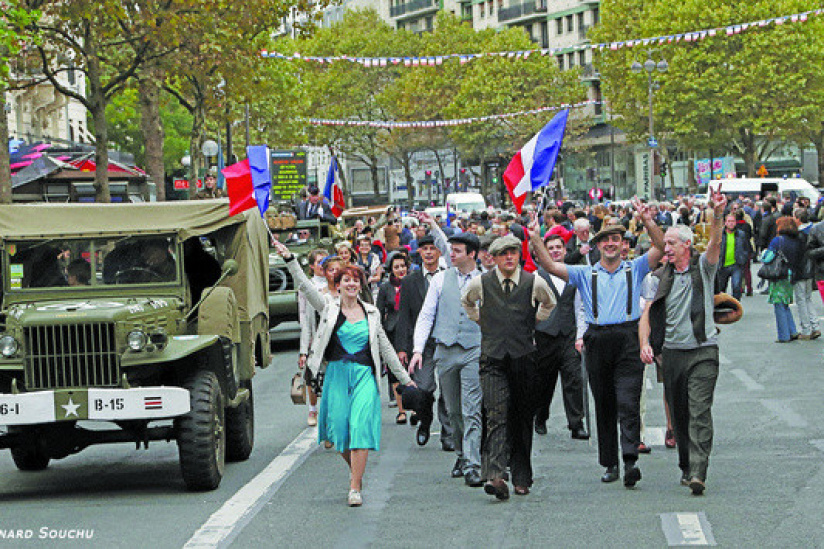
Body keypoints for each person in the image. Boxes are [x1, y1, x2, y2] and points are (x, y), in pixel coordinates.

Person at [529, 198, 665, 489]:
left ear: (622, 244)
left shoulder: (635, 268)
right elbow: (549, 265)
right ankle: (610, 463)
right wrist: (535, 237)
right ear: (598, 246)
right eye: (606, 240)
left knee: (628, 400)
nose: (611, 244)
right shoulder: (584, 272)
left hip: (627, 337)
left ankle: (630, 460)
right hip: (598, 338)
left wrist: (647, 220)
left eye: (616, 239)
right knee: (604, 403)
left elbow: (660, 247)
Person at [273, 239, 415, 508]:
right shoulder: (328, 308)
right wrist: (290, 259)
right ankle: (356, 472)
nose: (351, 284)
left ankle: (354, 486)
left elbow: (386, 349)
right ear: (337, 285)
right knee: (338, 432)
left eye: (355, 281)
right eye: (346, 280)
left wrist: (407, 381)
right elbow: (304, 286)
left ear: (361, 286)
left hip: (363, 377)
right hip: (336, 375)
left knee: (360, 426)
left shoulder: (371, 313)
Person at [638, 187, 727, 495]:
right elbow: (646, 314)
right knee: (680, 415)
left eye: (672, 244)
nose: (667, 248)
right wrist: (646, 343)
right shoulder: (661, 276)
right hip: (672, 354)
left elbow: (715, 243)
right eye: (666, 244)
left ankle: (699, 471)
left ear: (687, 246)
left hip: (703, 352)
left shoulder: (703, 267)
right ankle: (687, 465)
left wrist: (718, 214)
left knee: (699, 412)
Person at [462, 235, 556, 499]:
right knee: (496, 413)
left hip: (524, 357)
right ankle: (495, 474)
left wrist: (533, 321)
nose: (509, 257)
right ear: (493, 258)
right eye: (503, 253)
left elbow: (549, 303)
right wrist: (480, 320)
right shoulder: (481, 283)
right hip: (492, 358)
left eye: (513, 252)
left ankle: (522, 475)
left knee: (522, 416)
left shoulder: (532, 282)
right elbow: (466, 301)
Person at [409, 232, 484, 488]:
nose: (452, 254)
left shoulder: (485, 280)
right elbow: (426, 315)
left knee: (472, 407)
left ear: (471, 254)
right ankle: (462, 454)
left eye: (458, 250)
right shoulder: (441, 279)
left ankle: (473, 464)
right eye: (451, 250)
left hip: (474, 348)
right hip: (446, 349)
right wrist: (418, 349)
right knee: (453, 409)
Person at [395, 232, 453, 449]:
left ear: (439, 251)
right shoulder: (410, 281)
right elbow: (404, 316)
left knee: (448, 389)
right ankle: (425, 421)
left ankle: (448, 433)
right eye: (424, 249)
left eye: (432, 248)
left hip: (446, 340)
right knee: (424, 388)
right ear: (418, 252)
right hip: (422, 344)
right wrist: (402, 347)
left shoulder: (449, 276)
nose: (428, 252)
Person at [532, 234, 589, 441]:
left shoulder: (574, 274)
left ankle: (576, 423)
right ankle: (540, 417)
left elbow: (580, 307)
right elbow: (530, 309)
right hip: (544, 336)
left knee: (574, 379)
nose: (555, 251)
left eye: (558, 247)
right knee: (543, 381)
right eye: (551, 248)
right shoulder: (536, 277)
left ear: (565, 251)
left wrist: (580, 336)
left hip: (568, 335)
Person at [375, 252, 410, 423]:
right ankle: (401, 410)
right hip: (392, 333)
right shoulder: (385, 288)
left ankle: (415, 408)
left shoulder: (412, 284)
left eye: (403, 266)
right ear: (391, 269)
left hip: (411, 331)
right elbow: (379, 312)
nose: (400, 269)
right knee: (395, 371)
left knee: (412, 369)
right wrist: (380, 335)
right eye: (396, 267)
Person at [298, 249, 330, 427]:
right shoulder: (306, 286)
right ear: (311, 266)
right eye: (318, 262)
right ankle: (312, 409)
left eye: (325, 261)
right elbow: (304, 316)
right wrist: (304, 350)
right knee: (312, 376)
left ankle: (330, 412)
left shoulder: (335, 282)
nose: (322, 265)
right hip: (315, 334)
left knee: (331, 375)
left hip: (332, 336)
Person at [766, 217, 804, 343]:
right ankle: (792, 330)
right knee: (785, 303)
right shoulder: (797, 240)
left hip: (779, 274)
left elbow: (768, 257)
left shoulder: (777, 241)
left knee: (778, 304)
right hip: (791, 274)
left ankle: (784, 335)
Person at [716, 213, 752, 301]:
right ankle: (722, 306)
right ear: (725, 223)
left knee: (736, 287)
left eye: (732, 221)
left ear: (735, 222)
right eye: (729, 221)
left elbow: (746, 247)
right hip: (723, 265)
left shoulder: (741, 234)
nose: (731, 223)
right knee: (721, 288)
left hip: (736, 264)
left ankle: (735, 305)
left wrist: (743, 259)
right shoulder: (720, 234)